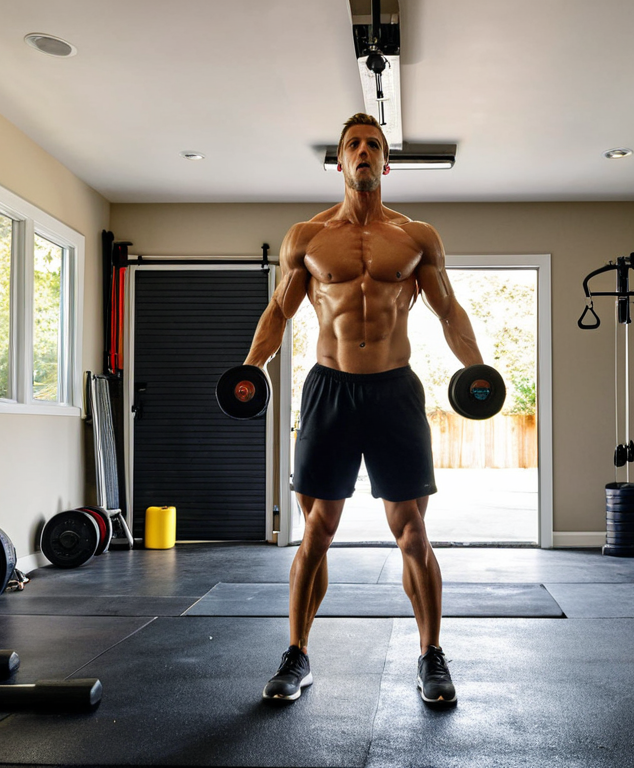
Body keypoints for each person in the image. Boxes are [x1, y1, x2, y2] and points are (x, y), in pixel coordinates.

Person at [243, 113, 486, 706]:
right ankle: (297, 653)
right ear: (340, 161)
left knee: (412, 532)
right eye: (354, 144)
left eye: (374, 145)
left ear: (386, 161)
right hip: (329, 390)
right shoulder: (305, 237)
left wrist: (476, 370)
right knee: (316, 531)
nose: (364, 152)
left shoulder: (416, 237)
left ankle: (431, 655)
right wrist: (252, 369)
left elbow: (448, 311)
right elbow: (279, 312)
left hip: (394, 393)